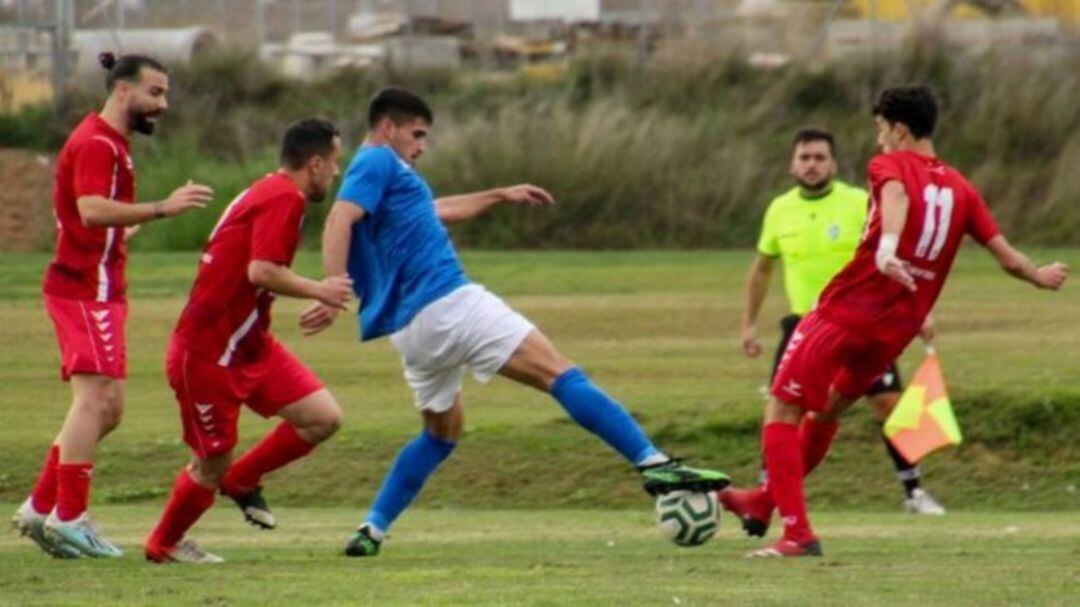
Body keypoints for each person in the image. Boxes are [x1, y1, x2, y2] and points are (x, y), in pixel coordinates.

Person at [301, 87, 730, 558]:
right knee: (562, 374)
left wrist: (499, 194)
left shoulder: (392, 177)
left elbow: (434, 211)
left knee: (440, 436)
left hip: (412, 333)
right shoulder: (377, 161)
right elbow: (339, 219)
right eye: (416, 134)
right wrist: (332, 285)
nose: (422, 145)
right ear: (387, 129)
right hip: (449, 303)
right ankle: (654, 463)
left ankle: (372, 529)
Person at [731, 85, 1067, 558]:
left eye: (881, 130)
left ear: (900, 129)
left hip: (845, 311)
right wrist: (1039, 275)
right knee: (826, 411)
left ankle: (797, 534)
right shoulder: (961, 187)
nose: (879, 141)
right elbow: (1006, 256)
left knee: (782, 412)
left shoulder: (887, 166)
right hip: (893, 332)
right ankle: (763, 501)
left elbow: (896, 199)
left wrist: (888, 249)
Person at [11, 52, 213, 559]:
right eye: (155, 93)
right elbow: (91, 210)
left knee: (110, 409)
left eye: (164, 93)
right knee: (94, 399)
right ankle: (70, 516)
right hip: (82, 288)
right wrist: (164, 207)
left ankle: (41, 506)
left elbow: (100, 216)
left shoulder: (111, 143)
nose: (162, 104)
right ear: (123, 91)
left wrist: (134, 222)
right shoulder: (98, 142)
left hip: (101, 287)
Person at [142, 119, 353, 564]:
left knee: (322, 417)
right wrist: (321, 290)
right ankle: (163, 545)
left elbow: (254, 274)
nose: (335, 174)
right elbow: (262, 271)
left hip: (249, 343)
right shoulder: (284, 199)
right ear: (314, 163)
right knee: (209, 464)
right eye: (334, 164)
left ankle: (242, 479)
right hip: (208, 352)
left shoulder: (269, 190)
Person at [730, 127, 944, 529]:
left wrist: (920, 312)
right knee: (782, 408)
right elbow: (762, 268)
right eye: (805, 158)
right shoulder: (779, 209)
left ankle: (914, 490)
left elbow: (898, 252)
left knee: (887, 404)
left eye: (819, 158)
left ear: (833, 163)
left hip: (861, 323)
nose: (812, 165)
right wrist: (748, 324)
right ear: (792, 164)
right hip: (801, 326)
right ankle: (767, 490)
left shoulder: (860, 202)